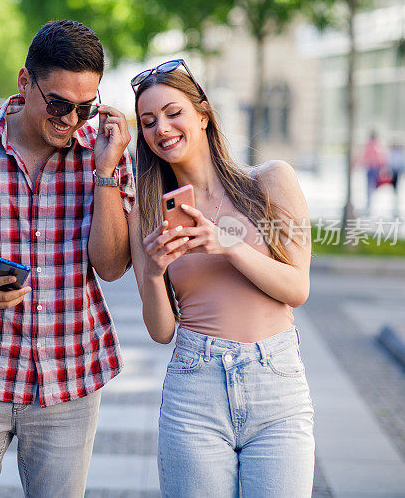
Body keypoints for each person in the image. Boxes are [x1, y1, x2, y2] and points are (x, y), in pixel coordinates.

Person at [0, 20, 135, 497]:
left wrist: (105, 174)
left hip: (70, 378)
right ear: (24, 82)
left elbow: (113, 266)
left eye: (84, 107)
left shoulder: (105, 157)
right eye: (58, 104)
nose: (70, 120)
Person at [127, 59, 314, 496]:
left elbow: (297, 288)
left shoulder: (272, 182)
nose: (162, 129)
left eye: (174, 113)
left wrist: (226, 243)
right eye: (148, 121)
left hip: (278, 388)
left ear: (203, 114)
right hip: (194, 390)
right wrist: (154, 273)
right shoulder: (146, 215)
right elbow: (160, 331)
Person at [359, 130, 386, 214]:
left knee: (369, 185)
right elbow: (381, 157)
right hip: (375, 167)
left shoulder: (368, 144)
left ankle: (369, 203)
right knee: (373, 185)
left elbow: (364, 156)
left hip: (370, 167)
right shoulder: (378, 144)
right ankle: (370, 202)